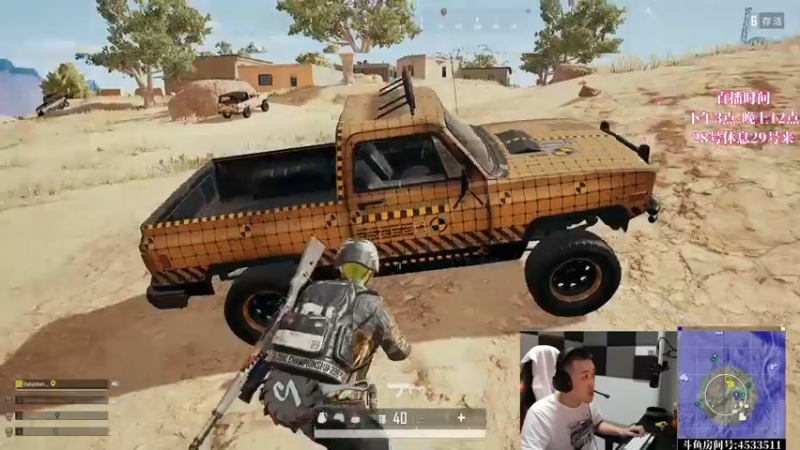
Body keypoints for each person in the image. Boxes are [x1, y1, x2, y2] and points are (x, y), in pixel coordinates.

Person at [259, 239, 412, 449]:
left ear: (340, 267)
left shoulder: (312, 291)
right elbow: (399, 351)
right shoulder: (372, 305)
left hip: (285, 399)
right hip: (333, 406)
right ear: (370, 272)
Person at [521, 347, 646, 450]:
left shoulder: (586, 401)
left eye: (593, 374)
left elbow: (597, 424)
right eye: (584, 376)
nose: (592, 383)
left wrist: (622, 431)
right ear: (565, 382)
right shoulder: (540, 415)